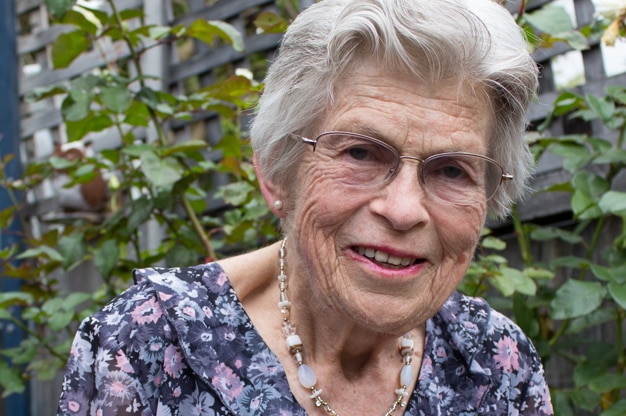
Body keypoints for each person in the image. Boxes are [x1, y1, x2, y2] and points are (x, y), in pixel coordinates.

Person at [57, 0, 553, 414]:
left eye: (451, 171)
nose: (403, 211)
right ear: (276, 171)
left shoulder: (497, 365)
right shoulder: (146, 348)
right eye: (360, 152)